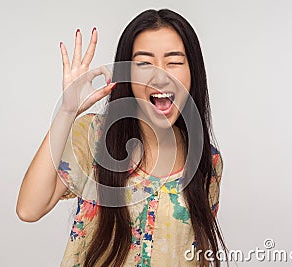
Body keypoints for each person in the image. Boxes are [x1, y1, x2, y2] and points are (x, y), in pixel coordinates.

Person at [16, 8, 227, 267]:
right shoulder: (94, 136)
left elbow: (198, 255)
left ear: (193, 72)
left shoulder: (208, 160)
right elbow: (29, 209)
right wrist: (67, 111)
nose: (160, 76)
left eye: (174, 61)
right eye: (144, 63)